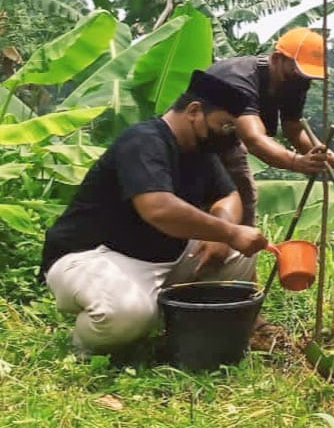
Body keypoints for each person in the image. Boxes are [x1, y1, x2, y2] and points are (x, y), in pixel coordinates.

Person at [40, 71, 269, 354]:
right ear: (194, 111)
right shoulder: (143, 141)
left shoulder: (200, 150)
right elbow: (158, 209)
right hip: (94, 255)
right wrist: (231, 231)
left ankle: (175, 319)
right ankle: (84, 346)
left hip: (162, 257)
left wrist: (221, 233)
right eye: (223, 125)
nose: (227, 135)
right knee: (125, 315)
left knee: (238, 257)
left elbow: (228, 195)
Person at [206, 27, 334, 235]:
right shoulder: (239, 78)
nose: (303, 81)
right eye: (297, 72)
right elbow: (254, 138)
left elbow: (294, 127)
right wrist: (297, 162)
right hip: (194, 147)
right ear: (278, 58)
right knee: (204, 212)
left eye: (308, 76)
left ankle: (238, 261)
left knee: (243, 211)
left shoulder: (294, 84)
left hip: (229, 145)